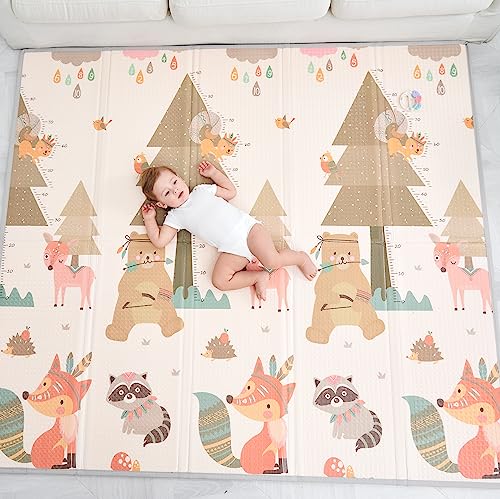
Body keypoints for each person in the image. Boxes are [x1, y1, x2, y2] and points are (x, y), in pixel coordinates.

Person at [140, 161, 317, 301]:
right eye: (167, 193)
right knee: (219, 281)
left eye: (174, 182)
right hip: (232, 249)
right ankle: (257, 277)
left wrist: (214, 173)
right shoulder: (175, 217)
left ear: (179, 178)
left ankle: (300, 258)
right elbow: (159, 241)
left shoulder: (201, 191)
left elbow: (231, 192)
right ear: (162, 204)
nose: (175, 190)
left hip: (248, 230)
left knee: (272, 261)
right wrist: (149, 219)